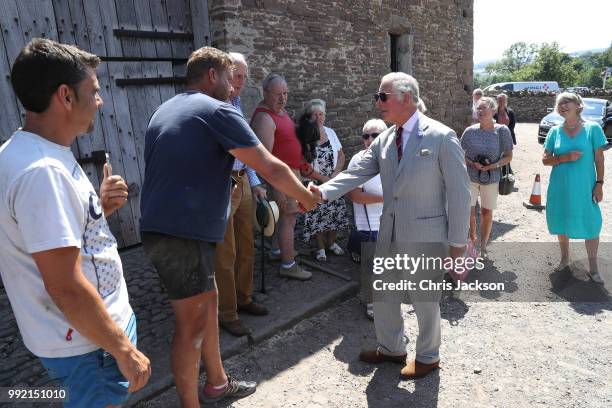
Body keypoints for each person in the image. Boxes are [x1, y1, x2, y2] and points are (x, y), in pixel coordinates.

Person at [139, 47, 316, 407]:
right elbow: (270, 166)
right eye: (229, 76)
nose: (234, 87)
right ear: (211, 76)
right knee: (191, 324)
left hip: (168, 228)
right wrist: (306, 197)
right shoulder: (216, 109)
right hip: (182, 233)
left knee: (211, 299)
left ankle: (217, 382)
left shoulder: (165, 108)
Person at [0, 38, 150, 407]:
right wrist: (124, 351)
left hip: (88, 339)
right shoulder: (42, 172)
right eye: (93, 92)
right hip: (89, 346)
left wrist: (97, 208)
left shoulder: (27, 153)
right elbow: (65, 286)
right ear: (65, 97)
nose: (99, 101)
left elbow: (47, 235)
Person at [310, 72, 471, 379]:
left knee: (424, 300)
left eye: (382, 96)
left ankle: (428, 356)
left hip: (426, 236)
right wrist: (322, 191)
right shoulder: (385, 139)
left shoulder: (441, 136)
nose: (377, 102)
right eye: (378, 96)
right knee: (383, 293)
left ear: (406, 98)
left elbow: (460, 195)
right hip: (389, 232)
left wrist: (458, 244)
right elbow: (355, 173)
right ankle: (392, 348)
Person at [215, 52, 269, 338]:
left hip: (242, 181)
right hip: (222, 183)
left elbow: (246, 147)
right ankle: (227, 312)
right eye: (238, 76)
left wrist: (255, 180)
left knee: (247, 244)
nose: (242, 82)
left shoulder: (235, 102)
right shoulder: (213, 104)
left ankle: (244, 297)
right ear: (225, 74)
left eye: (245, 77)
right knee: (226, 251)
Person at [251, 74, 312, 280]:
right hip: (280, 177)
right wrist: (275, 184)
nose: (283, 98)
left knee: (284, 218)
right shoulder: (264, 118)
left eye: (285, 93)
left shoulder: (280, 112)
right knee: (288, 218)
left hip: (290, 173)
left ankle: (278, 252)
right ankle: (288, 265)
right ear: (265, 93)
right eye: (278, 94)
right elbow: (264, 158)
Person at [542, 92, 606, 284]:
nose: (562, 106)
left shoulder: (593, 128)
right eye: (559, 103)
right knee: (562, 220)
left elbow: (599, 158)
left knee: (591, 223)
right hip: (560, 186)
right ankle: (564, 259)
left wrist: (599, 183)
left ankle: (593, 267)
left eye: (567, 102)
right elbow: (545, 160)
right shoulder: (554, 131)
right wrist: (564, 157)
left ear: (578, 105)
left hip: (585, 186)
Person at [461, 96, 513, 257]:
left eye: (484, 108)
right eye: (479, 108)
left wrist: (493, 165)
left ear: (493, 110)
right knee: (469, 211)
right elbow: (460, 154)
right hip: (470, 176)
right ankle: (472, 240)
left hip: (491, 178)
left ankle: (483, 244)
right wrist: (471, 163)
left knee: (486, 212)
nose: (480, 111)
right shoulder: (470, 132)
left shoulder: (502, 131)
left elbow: (508, 156)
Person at [346, 119, 386, 320]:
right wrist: (385, 199)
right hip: (369, 225)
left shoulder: (393, 160)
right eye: (366, 136)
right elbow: (355, 196)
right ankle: (371, 303)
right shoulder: (358, 161)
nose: (370, 140)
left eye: (375, 135)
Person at [299, 99, 349, 261]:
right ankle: (320, 248)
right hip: (316, 182)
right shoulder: (306, 136)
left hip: (333, 180)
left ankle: (332, 243)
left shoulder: (331, 132)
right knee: (317, 214)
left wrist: (334, 176)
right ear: (309, 116)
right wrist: (323, 179)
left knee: (335, 212)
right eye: (316, 114)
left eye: (322, 114)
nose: (320, 117)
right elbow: (304, 166)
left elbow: (341, 156)